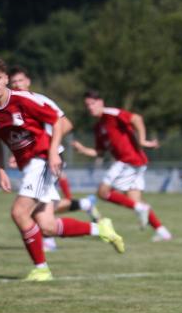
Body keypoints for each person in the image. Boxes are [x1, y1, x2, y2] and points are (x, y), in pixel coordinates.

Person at [0, 58, 124, 281]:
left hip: (44, 159)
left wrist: (53, 152)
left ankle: (42, 269)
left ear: (6, 79)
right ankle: (101, 229)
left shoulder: (25, 100)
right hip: (29, 165)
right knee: (47, 227)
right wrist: (1, 170)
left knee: (19, 212)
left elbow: (57, 121)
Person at [8, 66, 102, 251]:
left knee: (27, 207)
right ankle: (86, 210)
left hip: (48, 158)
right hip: (36, 159)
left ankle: (48, 245)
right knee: (40, 206)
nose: (17, 85)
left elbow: (66, 124)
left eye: (20, 81)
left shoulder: (40, 100)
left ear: (28, 81)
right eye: (14, 83)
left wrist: (48, 147)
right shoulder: (14, 107)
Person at [72, 91, 172, 241]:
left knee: (102, 192)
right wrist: (83, 150)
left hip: (128, 160)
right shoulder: (98, 127)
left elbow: (136, 118)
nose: (90, 108)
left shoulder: (111, 114)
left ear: (101, 102)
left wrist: (142, 140)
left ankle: (141, 210)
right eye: (87, 105)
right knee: (135, 201)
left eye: (93, 104)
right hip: (135, 162)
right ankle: (163, 232)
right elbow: (99, 152)